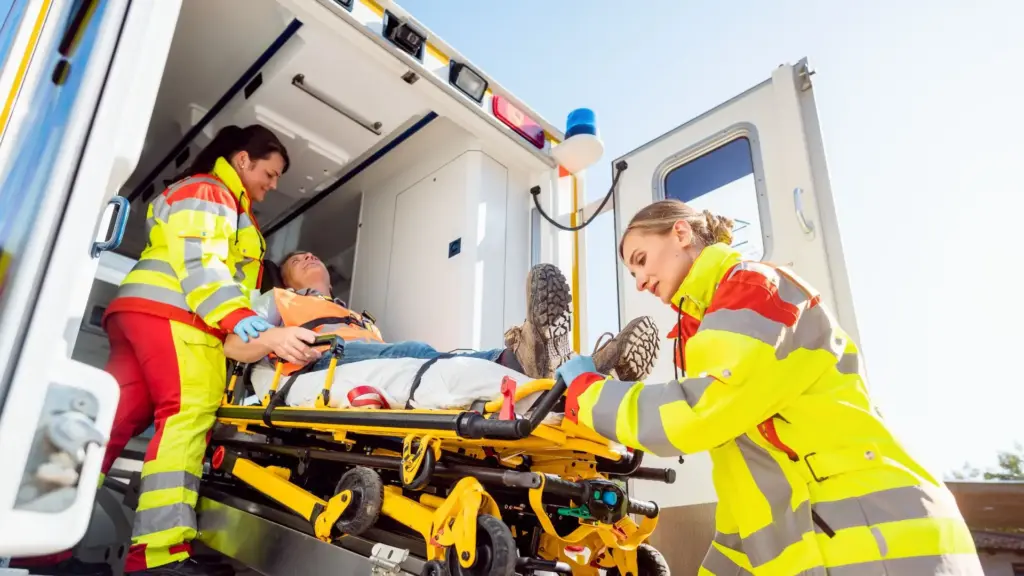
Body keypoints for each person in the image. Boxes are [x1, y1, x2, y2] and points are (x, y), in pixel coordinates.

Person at [554, 199, 983, 575]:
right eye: (632, 273)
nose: (640, 282)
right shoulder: (708, 327)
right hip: (849, 538)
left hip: (885, 537)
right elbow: (748, 509)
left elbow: (699, 413)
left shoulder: (755, 288)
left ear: (681, 233)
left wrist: (589, 393)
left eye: (641, 260)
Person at [11, 125, 292, 576]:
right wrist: (242, 321)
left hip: (141, 314)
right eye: (271, 172)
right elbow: (202, 262)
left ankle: (37, 544)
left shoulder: (207, 195)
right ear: (243, 160)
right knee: (188, 417)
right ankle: (159, 558)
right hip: (176, 317)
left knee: (105, 427)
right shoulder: (212, 191)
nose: (273, 185)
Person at [225, 250, 659, 385]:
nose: (309, 256)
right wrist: (273, 341)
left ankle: (564, 367)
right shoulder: (276, 300)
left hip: (364, 360)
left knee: (438, 357)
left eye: (313, 254)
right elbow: (232, 344)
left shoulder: (357, 316)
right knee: (418, 353)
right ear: (285, 277)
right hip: (318, 363)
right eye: (299, 259)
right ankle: (542, 361)